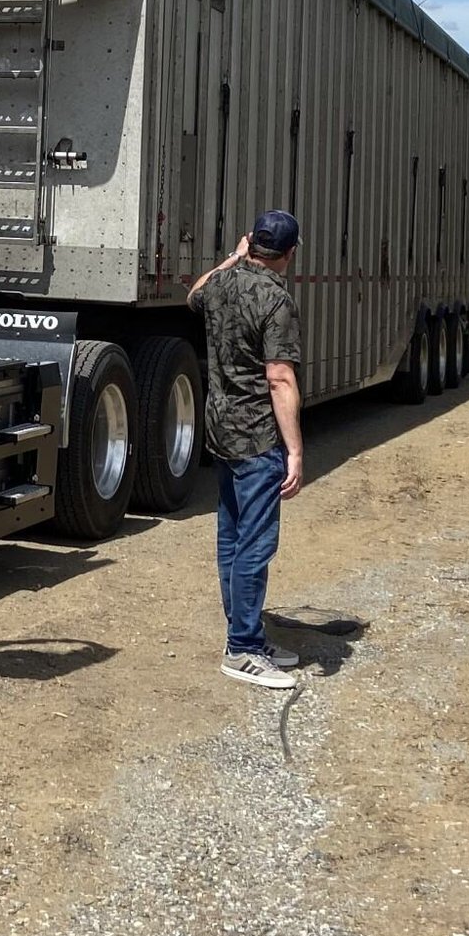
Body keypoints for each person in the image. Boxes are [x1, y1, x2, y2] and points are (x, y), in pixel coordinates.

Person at [189, 209, 307, 690]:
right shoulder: (276, 300)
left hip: (220, 429)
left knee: (231, 538)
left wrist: (229, 259)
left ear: (250, 244)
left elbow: (193, 294)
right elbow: (279, 377)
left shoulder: (221, 284)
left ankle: (247, 636)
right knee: (255, 545)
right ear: (289, 253)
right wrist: (295, 450)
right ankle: (241, 650)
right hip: (257, 435)